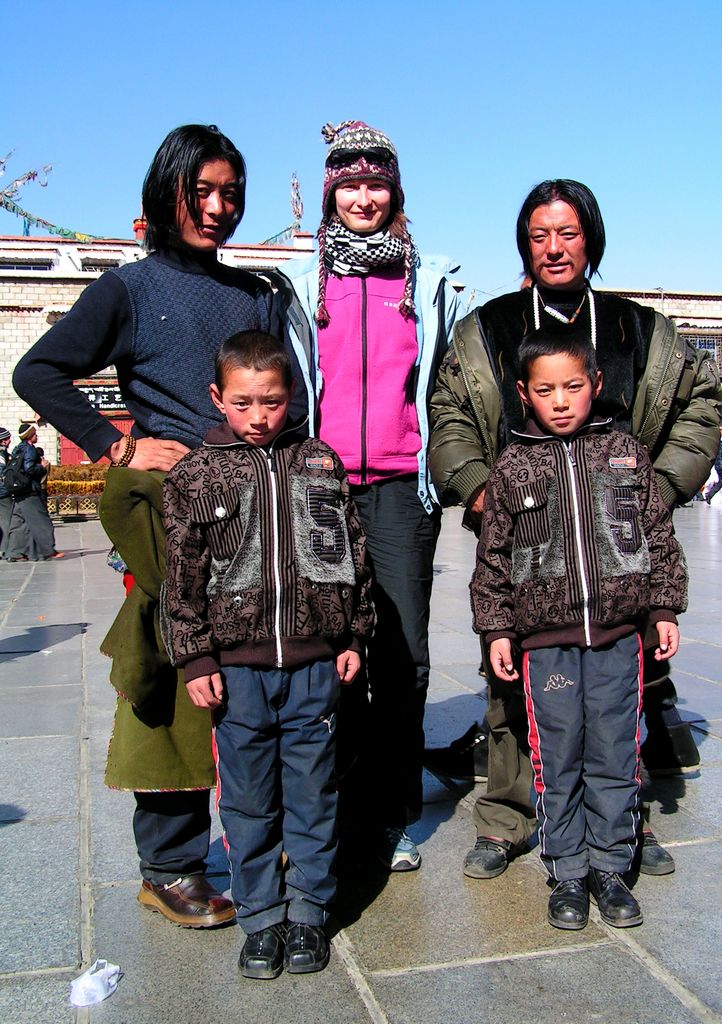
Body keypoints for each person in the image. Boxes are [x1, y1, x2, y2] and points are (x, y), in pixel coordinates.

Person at [13, 124, 311, 928]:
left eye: (231, 194)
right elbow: (36, 370)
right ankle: (170, 865)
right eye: (201, 192)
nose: (218, 209)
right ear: (165, 193)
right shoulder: (129, 289)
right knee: (176, 685)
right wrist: (122, 444)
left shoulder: (257, 295)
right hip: (173, 521)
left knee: (262, 679)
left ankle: (270, 836)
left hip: (260, 522)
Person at [429, 179, 721, 880]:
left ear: (590, 237)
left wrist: (659, 485)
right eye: (539, 236)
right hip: (524, 539)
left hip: (619, 548)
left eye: (567, 233)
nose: (554, 248)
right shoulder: (488, 328)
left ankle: (624, 817)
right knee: (513, 679)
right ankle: (507, 816)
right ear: (523, 244)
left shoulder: (638, 327)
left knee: (626, 683)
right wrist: (479, 493)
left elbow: (699, 401)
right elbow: (450, 413)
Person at [162, 331, 373, 978]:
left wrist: (353, 634)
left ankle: (309, 911)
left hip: (314, 665)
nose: (259, 417)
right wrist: (195, 658)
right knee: (248, 801)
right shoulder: (195, 476)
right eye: (245, 402)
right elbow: (181, 578)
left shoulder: (319, 462)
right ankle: (259, 917)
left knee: (313, 792)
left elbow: (352, 556)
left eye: (274, 402)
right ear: (217, 398)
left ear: (293, 397)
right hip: (236, 672)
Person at [282, 121, 461, 871]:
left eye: (376, 183)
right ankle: (331, 806)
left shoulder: (430, 278)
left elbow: (452, 383)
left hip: (397, 488)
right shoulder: (297, 280)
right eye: (349, 184)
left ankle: (390, 815)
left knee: (401, 652)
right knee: (324, 651)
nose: (362, 196)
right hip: (319, 489)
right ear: (331, 191)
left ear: (395, 192)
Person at [470, 325, 687, 930]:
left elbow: (657, 537)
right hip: (547, 647)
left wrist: (663, 608)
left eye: (573, 386)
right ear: (523, 393)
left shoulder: (625, 454)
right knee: (557, 755)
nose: (561, 401)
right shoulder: (513, 467)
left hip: (619, 638)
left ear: (596, 384)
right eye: (546, 390)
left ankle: (612, 864)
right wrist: (498, 631)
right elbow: (493, 560)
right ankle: (567, 869)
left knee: (617, 750)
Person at [4, 423, 60, 561]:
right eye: (35, 434)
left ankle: (15, 553)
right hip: (29, 490)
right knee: (42, 522)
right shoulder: (30, 449)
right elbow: (29, 468)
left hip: (17, 490)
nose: (37, 436)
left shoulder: (17, 449)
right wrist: (41, 467)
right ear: (30, 436)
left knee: (18, 522)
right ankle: (47, 551)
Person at [0, 427, 13, 556]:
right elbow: (2, 473)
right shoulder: (1, 454)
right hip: (2, 494)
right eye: (8, 438)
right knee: (7, 520)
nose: (9, 441)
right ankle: (6, 549)